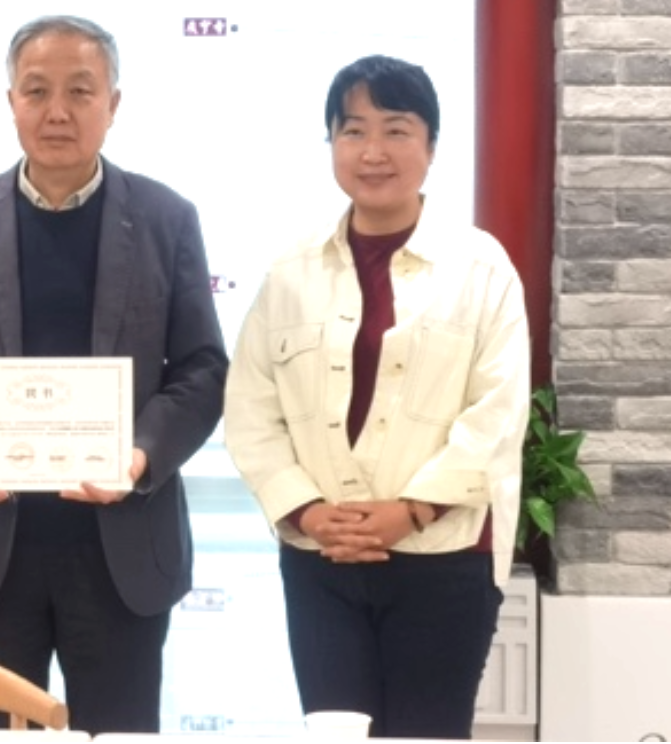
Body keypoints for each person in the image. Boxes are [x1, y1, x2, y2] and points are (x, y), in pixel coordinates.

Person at [0, 15, 228, 734]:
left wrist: (138, 456)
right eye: (37, 90)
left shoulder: (167, 218)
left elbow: (202, 369)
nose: (57, 111)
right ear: (10, 102)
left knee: (116, 731)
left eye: (80, 91)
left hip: (120, 548)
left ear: (114, 104)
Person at [224, 55, 529, 739]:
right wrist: (306, 510)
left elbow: (498, 412)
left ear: (432, 146)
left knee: (427, 733)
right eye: (353, 130)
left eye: (396, 130)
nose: (373, 152)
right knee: (335, 730)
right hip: (320, 557)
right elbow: (251, 407)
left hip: (444, 556)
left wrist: (410, 511)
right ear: (331, 143)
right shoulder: (290, 273)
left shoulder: (481, 269)